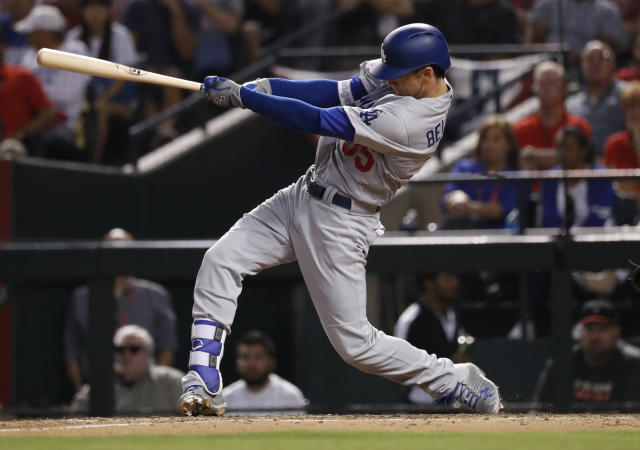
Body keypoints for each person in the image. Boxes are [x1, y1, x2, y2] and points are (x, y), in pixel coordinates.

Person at [177, 23, 502, 417]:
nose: (390, 82)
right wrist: (267, 88)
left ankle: (451, 379)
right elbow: (335, 92)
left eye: (398, 76)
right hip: (304, 192)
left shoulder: (413, 122)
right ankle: (203, 379)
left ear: (427, 75)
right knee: (221, 259)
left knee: (356, 346)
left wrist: (247, 99)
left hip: (342, 221)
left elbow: (321, 120)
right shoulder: (406, 77)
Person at [64, 228, 178, 394]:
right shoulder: (81, 297)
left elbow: (168, 345)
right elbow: (71, 350)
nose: (117, 254)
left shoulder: (155, 295)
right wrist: (80, 390)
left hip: (144, 390)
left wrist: (154, 388)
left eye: (123, 248)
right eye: (111, 249)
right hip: (96, 388)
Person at [532, 299, 640, 410]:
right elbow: (539, 412)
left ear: (616, 332)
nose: (595, 336)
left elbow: (634, 417)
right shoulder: (562, 363)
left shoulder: (634, 364)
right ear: (580, 332)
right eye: (589, 329)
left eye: (603, 329)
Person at [14, 4, 91, 160]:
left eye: (32, 33)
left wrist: (35, 95)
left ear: (45, 33)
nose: (28, 37)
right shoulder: (29, 56)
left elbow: (66, 95)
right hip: (35, 119)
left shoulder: (75, 51)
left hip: (68, 124)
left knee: (46, 142)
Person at [67, 0, 138, 164]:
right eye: (89, 8)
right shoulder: (74, 37)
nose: (94, 13)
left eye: (99, 8)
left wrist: (105, 97)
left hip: (120, 101)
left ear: (107, 11)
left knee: (100, 108)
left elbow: (125, 75)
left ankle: (94, 162)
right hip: (84, 98)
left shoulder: (120, 35)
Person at [122, 0, 198, 142]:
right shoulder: (137, 6)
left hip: (178, 72)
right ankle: (162, 133)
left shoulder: (188, 7)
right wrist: (144, 66)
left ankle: (165, 132)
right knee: (145, 83)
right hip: (144, 69)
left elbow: (187, 51)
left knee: (172, 75)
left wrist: (176, 14)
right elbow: (129, 47)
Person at [71, 325, 185, 414]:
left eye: (134, 349)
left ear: (149, 354)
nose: (126, 354)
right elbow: (74, 421)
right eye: (120, 349)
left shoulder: (173, 382)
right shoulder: (98, 387)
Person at [394, 272, 469, 405]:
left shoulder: (453, 315)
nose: (454, 283)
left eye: (455, 278)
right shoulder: (411, 319)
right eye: (447, 278)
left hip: (452, 401)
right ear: (429, 283)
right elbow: (398, 363)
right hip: (419, 403)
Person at [440, 115, 520, 229]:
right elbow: (445, 200)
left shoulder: (516, 176)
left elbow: (503, 210)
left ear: (509, 145)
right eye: (484, 138)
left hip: (498, 237)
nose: (488, 144)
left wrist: (469, 206)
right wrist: (455, 198)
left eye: (496, 139)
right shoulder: (464, 167)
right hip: (461, 231)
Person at [515, 61, 591, 172]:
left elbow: (584, 164)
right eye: (541, 83)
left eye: (551, 83)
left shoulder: (579, 127)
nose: (546, 88)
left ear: (563, 87)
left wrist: (532, 156)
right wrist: (562, 156)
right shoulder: (520, 129)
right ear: (534, 88)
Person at [540, 125, 614, 228]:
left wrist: (577, 239)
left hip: (593, 240)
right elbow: (549, 219)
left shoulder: (601, 176)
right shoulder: (550, 178)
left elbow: (600, 217)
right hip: (559, 242)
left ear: (583, 150)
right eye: (559, 147)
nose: (562, 153)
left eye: (567, 148)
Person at [0, 22, 56, 154]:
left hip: (19, 145)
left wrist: (24, 132)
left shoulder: (20, 76)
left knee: (10, 149)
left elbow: (48, 113)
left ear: (2, 47)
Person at [222, 330, 307, 414]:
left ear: (271, 361)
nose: (252, 364)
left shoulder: (290, 396)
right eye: (245, 357)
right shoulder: (225, 398)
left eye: (258, 357)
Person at [566, 40, 627, 158]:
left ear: (612, 64)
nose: (595, 63)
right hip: (583, 170)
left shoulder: (627, 95)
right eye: (589, 59)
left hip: (620, 169)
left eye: (601, 57)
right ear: (581, 66)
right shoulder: (571, 104)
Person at [527, 0, 623, 70]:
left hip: (586, 67)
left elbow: (606, 48)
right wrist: (553, 56)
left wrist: (581, 58)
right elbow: (534, 42)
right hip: (549, 64)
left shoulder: (607, 10)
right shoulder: (547, 4)